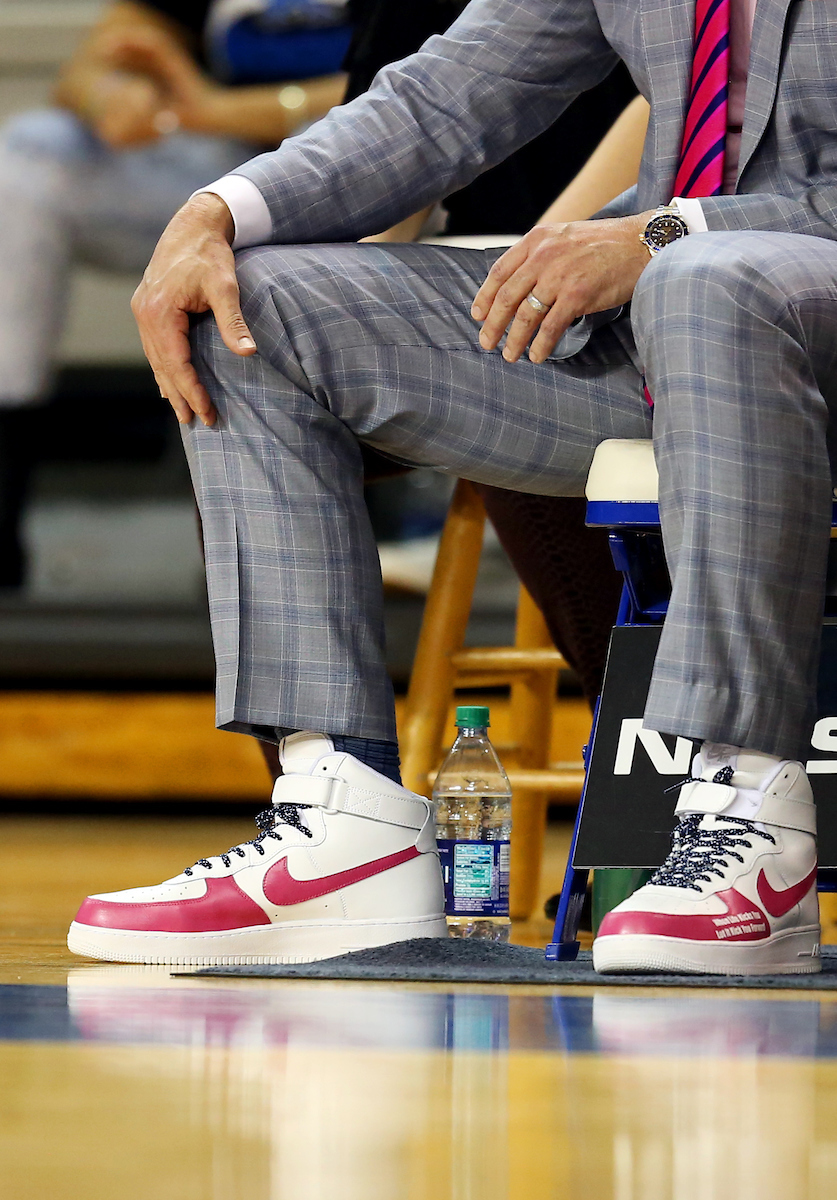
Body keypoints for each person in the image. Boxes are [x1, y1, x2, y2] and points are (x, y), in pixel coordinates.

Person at [70, 0, 830, 976]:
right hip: (672, 316)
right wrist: (214, 212)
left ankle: (751, 817)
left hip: (783, 303)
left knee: (705, 277)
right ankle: (344, 823)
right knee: (240, 305)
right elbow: (441, 100)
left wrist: (671, 231)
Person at [0, 0, 347, 586]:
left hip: (355, 169)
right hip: (218, 170)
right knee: (31, 150)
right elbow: (91, 64)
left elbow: (414, 99)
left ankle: (336, 534)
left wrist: (215, 110)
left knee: (326, 141)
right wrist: (108, 97)